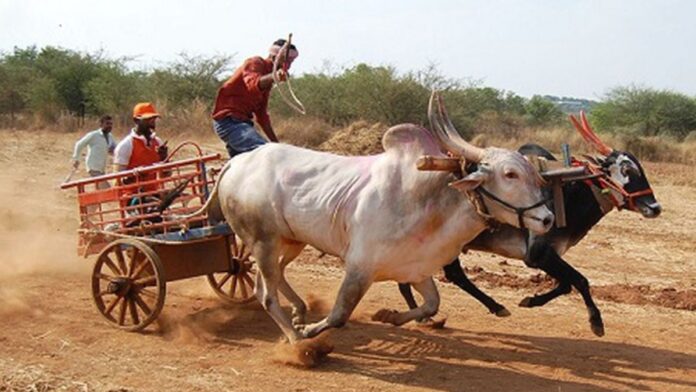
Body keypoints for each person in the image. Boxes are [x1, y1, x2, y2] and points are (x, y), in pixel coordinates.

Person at [212, 38, 299, 157]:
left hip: (244, 124)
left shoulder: (267, 81)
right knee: (265, 154)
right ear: (275, 57)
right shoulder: (255, 63)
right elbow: (252, 84)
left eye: (291, 62)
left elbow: (262, 116)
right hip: (229, 121)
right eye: (286, 61)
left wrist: (276, 144)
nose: (288, 66)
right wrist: (275, 76)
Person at [113, 102, 168, 194]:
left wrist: (164, 159)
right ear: (136, 120)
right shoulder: (126, 145)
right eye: (147, 119)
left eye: (153, 118)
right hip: (132, 199)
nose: (152, 121)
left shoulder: (158, 142)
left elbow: (166, 175)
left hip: (154, 194)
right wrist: (135, 176)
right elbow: (117, 181)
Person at [71, 115, 117, 188]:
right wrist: (76, 159)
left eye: (111, 124)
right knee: (107, 189)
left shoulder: (110, 137)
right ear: (101, 124)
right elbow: (79, 144)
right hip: (93, 167)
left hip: (102, 168)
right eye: (107, 123)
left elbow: (116, 149)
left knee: (100, 191)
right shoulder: (94, 135)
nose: (109, 126)